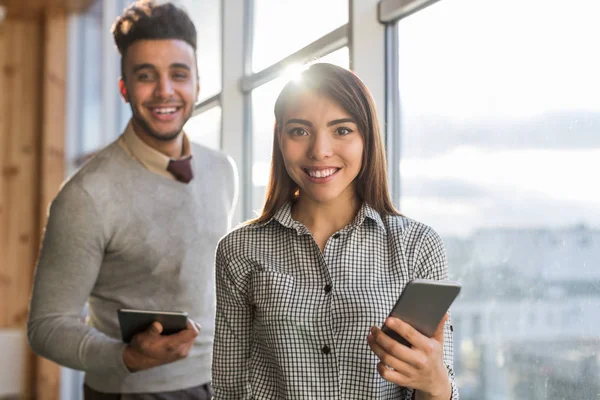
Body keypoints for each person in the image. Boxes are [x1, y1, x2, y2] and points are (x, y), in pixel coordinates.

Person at [27, 1, 237, 398]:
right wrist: (127, 357)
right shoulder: (86, 196)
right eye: (146, 76)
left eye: (179, 74)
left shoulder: (222, 170)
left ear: (197, 82)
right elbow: (47, 326)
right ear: (124, 88)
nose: (165, 91)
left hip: (222, 382)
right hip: (132, 392)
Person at [212, 63, 458, 399]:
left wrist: (435, 383)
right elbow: (229, 389)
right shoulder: (239, 249)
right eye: (299, 131)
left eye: (341, 130)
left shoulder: (417, 245)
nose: (319, 151)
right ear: (280, 139)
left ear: (366, 139)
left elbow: (438, 383)